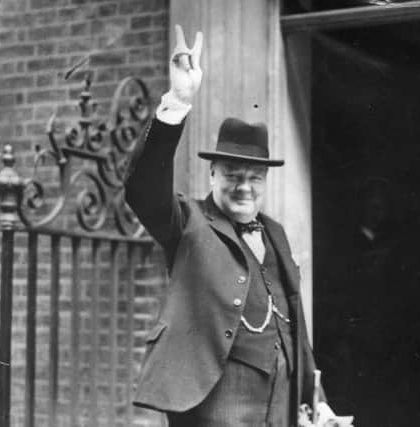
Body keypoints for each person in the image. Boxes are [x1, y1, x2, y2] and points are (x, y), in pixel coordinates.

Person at [124, 26, 350, 427]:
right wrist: (178, 100)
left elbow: (294, 323)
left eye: (254, 177)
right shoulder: (189, 223)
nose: (244, 186)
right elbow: (142, 189)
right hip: (217, 400)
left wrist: (317, 400)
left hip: (281, 402)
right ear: (213, 174)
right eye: (232, 173)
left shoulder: (275, 232)